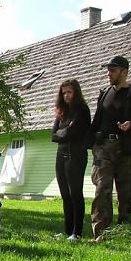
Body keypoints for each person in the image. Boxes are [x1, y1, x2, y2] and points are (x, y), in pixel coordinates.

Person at [88, 56, 131, 242]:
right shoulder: (104, 94)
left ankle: (124, 232)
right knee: (102, 189)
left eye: (113, 70)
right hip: (104, 148)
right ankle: (100, 233)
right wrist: (92, 142)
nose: (109, 74)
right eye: (108, 70)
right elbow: (96, 122)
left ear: (124, 72)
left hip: (127, 150)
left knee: (126, 193)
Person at [51, 79, 91, 241]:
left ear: (76, 92)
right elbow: (54, 135)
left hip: (76, 155)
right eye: (64, 92)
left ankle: (77, 232)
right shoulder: (62, 111)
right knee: (65, 194)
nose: (66, 95)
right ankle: (67, 231)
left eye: (69, 92)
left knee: (75, 193)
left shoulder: (82, 110)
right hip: (61, 155)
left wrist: (64, 132)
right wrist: (65, 131)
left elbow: (70, 133)